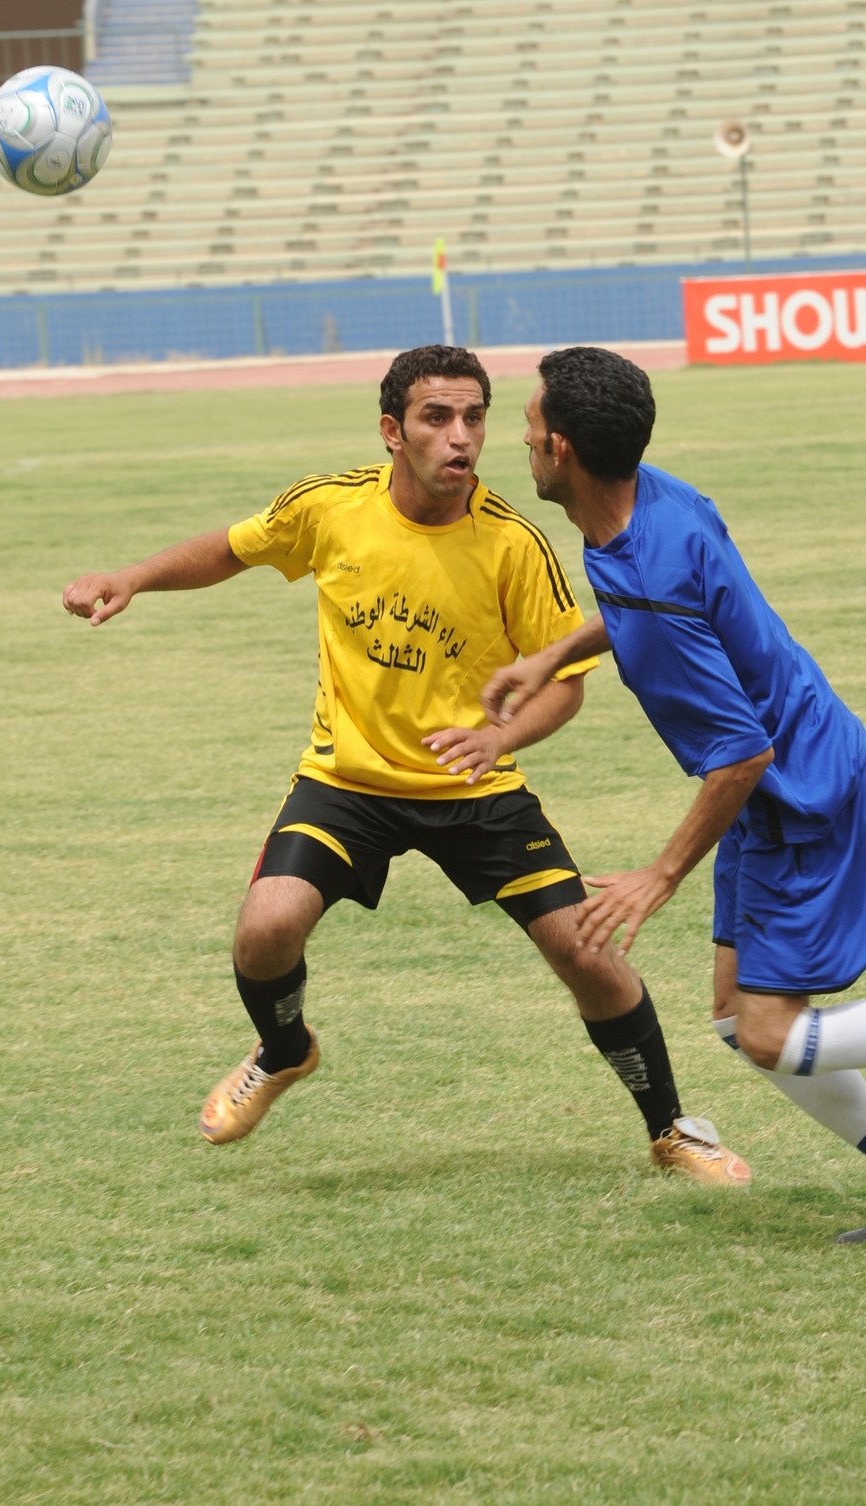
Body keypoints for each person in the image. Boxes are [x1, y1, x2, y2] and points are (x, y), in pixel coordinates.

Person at [62, 344, 748, 1185]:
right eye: (436, 418)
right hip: (347, 782)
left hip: (476, 787)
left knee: (587, 953)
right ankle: (284, 1050)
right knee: (265, 927)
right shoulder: (330, 509)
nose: (460, 438)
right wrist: (132, 577)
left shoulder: (512, 543)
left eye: (474, 418)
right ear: (393, 430)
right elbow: (236, 549)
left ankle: (672, 1129)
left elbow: (564, 686)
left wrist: (499, 740)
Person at [481, 344, 866, 1240]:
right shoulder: (655, 498)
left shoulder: (645, 566)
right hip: (794, 785)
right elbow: (658, 604)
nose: (523, 440)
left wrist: (659, 875)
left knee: (769, 1033)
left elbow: (740, 755)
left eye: (530, 427)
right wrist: (550, 655)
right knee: (738, 1021)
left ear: (564, 451)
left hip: (800, 796)